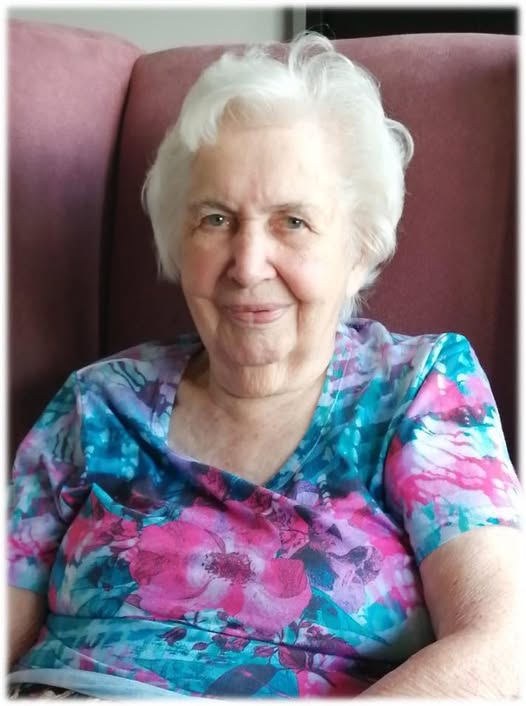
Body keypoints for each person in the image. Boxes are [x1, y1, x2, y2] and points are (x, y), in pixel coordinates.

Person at [7, 32, 523, 699]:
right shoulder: (97, 402)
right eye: (216, 218)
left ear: (358, 247)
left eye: (292, 222)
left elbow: (504, 645)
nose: (248, 266)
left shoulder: (418, 389)